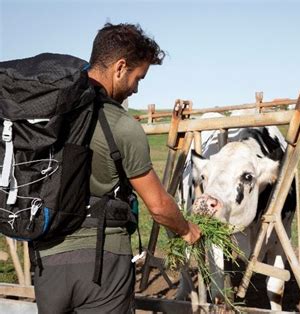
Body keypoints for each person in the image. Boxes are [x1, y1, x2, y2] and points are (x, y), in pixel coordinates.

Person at [33, 22, 201, 313]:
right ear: (120, 67)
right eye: (139, 77)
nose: (136, 88)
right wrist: (187, 230)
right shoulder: (122, 126)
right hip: (102, 267)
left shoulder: (47, 115)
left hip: (46, 264)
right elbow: (159, 207)